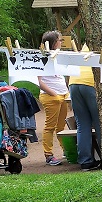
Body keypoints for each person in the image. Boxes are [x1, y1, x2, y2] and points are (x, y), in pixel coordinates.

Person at [37, 31, 68, 166]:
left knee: (61, 125)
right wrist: (53, 94)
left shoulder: (58, 56)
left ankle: (65, 150)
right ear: (54, 42)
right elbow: (39, 81)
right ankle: (48, 154)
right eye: (60, 40)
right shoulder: (41, 58)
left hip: (63, 94)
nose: (61, 42)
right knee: (50, 126)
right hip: (50, 96)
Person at [67, 64, 101, 170]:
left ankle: (85, 161)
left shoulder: (83, 49)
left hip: (73, 83)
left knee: (82, 125)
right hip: (91, 83)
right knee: (99, 123)